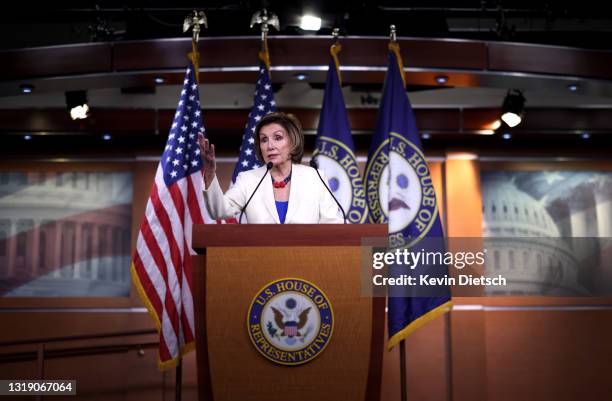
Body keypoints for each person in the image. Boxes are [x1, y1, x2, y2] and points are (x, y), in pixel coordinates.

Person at [197, 112, 344, 224]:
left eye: (278, 138)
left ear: (293, 142)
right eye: (264, 140)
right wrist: (210, 172)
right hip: (261, 261)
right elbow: (218, 211)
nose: (270, 146)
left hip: (308, 261)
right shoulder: (249, 180)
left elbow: (333, 225)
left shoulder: (315, 178)